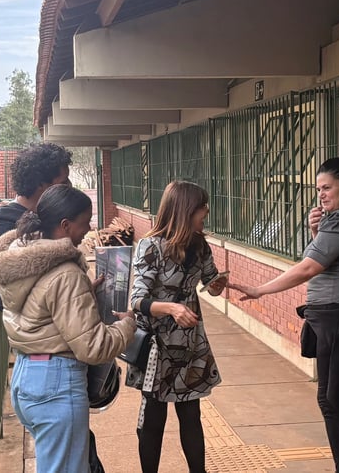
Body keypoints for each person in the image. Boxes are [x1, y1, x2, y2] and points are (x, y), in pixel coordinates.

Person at [228, 156, 339, 473]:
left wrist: (260, 290)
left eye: (327, 188)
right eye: (318, 189)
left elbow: (309, 268)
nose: (321, 195)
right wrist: (316, 233)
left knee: (332, 400)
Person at [0, 184, 136, 473]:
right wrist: (127, 324)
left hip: (27, 378)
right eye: (85, 222)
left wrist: (82, 294)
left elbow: (42, 305)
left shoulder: (23, 259)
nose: (89, 229)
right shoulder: (66, 273)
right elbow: (94, 347)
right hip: (57, 384)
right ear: (65, 225)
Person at [126, 180, 229, 473]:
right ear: (185, 210)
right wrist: (172, 308)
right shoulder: (151, 246)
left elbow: (209, 282)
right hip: (157, 348)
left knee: (191, 414)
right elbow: (137, 300)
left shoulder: (199, 245)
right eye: (201, 207)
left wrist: (217, 285)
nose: (206, 211)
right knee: (154, 418)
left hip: (190, 344)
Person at [0, 142, 74, 310]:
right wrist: (31, 310)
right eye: (63, 181)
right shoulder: (4, 223)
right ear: (41, 184)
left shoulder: (40, 216)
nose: (69, 186)